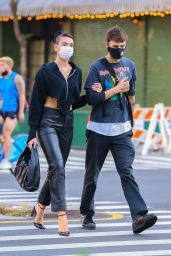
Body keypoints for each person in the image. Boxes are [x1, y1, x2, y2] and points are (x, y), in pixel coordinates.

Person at [80, 25, 157, 234]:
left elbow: (131, 96)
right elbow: (92, 99)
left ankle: (139, 215)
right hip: (98, 130)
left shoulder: (130, 65)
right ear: (107, 44)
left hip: (122, 130)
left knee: (127, 172)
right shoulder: (97, 68)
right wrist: (114, 89)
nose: (119, 50)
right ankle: (87, 213)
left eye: (122, 46)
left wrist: (132, 123)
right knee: (91, 175)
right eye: (115, 46)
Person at [27, 31, 101, 236]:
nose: (68, 47)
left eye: (71, 44)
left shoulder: (77, 72)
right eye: (64, 44)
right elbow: (35, 104)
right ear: (56, 47)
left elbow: (74, 101)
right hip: (47, 122)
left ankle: (39, 210)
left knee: (55, 171)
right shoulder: (45, 71)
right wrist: (31, 133)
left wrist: (90, 95)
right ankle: (61, 214)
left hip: (67, 122)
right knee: (57, 166)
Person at [0, 56, 25, 169]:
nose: (0, 67)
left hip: (13, 111)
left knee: (6, 134)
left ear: (9, 65)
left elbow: (22, 96)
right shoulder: (1, 79)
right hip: (2, 110)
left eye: (2, 65)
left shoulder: (17, 78)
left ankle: (6, 161)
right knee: (4, 136)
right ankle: (7, 141)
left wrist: (20, 112)